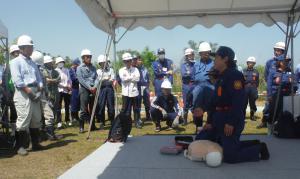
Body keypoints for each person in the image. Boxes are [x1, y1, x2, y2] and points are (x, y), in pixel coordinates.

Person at [194, 46, 269, 163]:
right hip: (218, 118)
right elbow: (215, 101)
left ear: (225, 59)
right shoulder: (221, 76)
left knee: (230, 157)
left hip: (229, 118)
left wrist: (231, 122)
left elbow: (238, 101)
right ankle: (244, 143)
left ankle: (259, 149)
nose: (214, 60)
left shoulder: (235, 76)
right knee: (199, 140)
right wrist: (207, 119)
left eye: (217, 57)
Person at [10, 35, 44, 156]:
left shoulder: (33, 63)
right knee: (23, 119)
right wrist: (30, 92)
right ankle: (20, 146)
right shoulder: (15, 62)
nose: (31, 49)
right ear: (22, 48)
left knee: (36, 119)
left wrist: (39, 90)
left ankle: (35, 144)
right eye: (29, 47)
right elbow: (18, 81)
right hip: (23, 93)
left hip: (35, 90)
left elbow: (39, 78)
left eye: (31, 47)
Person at [31, 51, 62, 140]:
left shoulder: (41, 70)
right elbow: (46, 81)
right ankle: (39, 136)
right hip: (34, 95)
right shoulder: (35, 70)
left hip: (44, 95)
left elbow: (50, 81)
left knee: (49, 114)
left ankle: (50, 134)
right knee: (38, 117)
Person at [257, 41, 285, 129]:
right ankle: (264, 121)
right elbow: (266, 75)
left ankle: (278, 123)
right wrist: (270, 86)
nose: (276, 52)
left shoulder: (287, 61)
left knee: (281, 107)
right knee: (268, 107)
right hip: (272, 89)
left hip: (282, 89)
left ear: (283, 51)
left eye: (279, 50)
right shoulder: (270, 62)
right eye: (275, 50)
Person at [267, 54, 296, 134]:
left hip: (287, 95)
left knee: (284, 112)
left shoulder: (290, 71)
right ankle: (270, 128)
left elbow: (294, 83)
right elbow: (269, 84)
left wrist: (293, 90)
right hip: (275, 94)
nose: (286, 63)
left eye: (287, 61)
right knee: (273, 112)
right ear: (279, 62)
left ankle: (280, 128)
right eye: (284, 61)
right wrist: (269, 95)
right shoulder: (273, 71)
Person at [191, 42, 214, 129]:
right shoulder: (196, 64)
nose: (206, 54)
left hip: (210, 87)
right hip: (198, 87)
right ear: (200, 53)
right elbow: (192, 78)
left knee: (211, 108)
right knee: (197, 106)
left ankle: (210, 126)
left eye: (207, 52)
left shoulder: (214, 64)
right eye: (203, 53)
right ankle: (198, 127)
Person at [77, 49, 98, 133]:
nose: (89, 58)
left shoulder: (93, 68)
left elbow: (97, 78)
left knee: (92, 108)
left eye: (90, 57)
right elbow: (81, 80)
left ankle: (92, 125)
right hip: (84, 89)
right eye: (87, 57)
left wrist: (95, 86)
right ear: (83, 58)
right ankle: (81, 127)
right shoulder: (79, 68)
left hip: (93, 89)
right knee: (83, 109)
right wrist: (90, 87)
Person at [119, 52, 142, 128]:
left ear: (131, 60)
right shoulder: (121, 70)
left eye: (129, 60)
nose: (127, 62)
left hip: (134, 92)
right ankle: (126, 123)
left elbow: (137, 79)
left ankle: (137, 122)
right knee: (126, 110)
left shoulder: (136, 69)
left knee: (136, 109)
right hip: (125, 93)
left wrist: (128, 78)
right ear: (123, 62)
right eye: (126, 61)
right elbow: (123, 79)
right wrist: (131, 77)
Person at [1, 45, 19, 137]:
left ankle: (17, 130)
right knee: (11, 110)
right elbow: (6, 79)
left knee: (16, 111)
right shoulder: (8, 64)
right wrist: (8, 92)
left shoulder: (21, 63)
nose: (16, 53)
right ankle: (12, 130)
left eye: (17, 51)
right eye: (14, 52)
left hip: (18, 90)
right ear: (11, 54)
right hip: (10, 91)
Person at [96, 54, 115, 127]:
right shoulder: (98, 71)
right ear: (100, 63)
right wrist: (106, 78)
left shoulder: (111, 70)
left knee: (111, 105)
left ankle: (112, 120)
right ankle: (102, 122)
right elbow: (99, 80)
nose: (105, 64)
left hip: (110, 88)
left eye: (106, 62)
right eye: (104, 63)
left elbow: (112, 79)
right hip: (102, 89)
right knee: (101, 105)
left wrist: (104, 79)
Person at [55, 57, 72, 128]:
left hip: (66, 90)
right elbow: (56, 82)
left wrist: (69, 86)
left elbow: (69, 79)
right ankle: (59, 121)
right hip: (59, 90)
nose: (61, 63)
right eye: (59, 62)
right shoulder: (55, 71)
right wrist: (64, 86)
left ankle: (67, 120)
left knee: (67, 106)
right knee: (58, 106)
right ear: (57, 63)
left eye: (62, 62)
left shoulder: (66, 70)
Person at [181, 48, 195, 125]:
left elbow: (196, 75)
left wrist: (189, 73)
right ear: (186, 56)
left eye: (192, 54)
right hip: (186, 85)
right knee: (186, 103)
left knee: (194, 102)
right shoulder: (183, 65)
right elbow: (184, 74)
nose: (191, 56)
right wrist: (190, 74)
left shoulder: (196, 64)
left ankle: (195, 119)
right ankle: (185, 120)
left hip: (194, 85)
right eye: (189, 55)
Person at [243, 56, 259, 121]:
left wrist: (255, 89)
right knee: (244, 102)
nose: (251, 64)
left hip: (253, 88)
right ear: (247, 63)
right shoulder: (243, 71)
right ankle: (242, 115)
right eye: (249, 62)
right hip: (245, 88)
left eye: (252, 63)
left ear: (254, 64)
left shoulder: (256, 71)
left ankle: (252, 115)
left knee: (252, 103)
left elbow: (257, 81)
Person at [136, 55, 151, 121]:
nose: (140, 61)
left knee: (147, 102)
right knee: (138, 102)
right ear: (136, 61)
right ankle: (138, 118)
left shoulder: (145, 69)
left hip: (145, 87)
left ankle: (148, 116)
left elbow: (148, 78)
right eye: (138, 60)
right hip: (138, 87)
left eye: (141, 60)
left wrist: (147, 86)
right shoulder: (135, 69)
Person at [69, 58, 81, 123]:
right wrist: (80, 80)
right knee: (73, 103)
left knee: (77, 102)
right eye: (77, 64)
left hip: (78, 88)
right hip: (73, 88)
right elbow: (74, 79)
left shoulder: (77, 69)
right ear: (74, 64)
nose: (78, 66)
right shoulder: (71, 70)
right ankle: (73, 117)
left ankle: (76, 116)